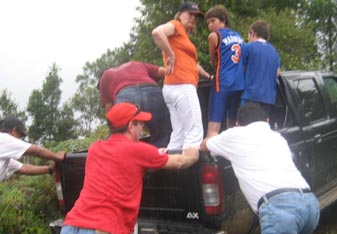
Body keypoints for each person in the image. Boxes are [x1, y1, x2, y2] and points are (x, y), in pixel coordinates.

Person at [55, 102, 199, 234]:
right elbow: (179, 162)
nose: (142, 130)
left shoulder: (95, 149)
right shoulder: (138, 151)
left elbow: (122, 161)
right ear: (131, 126)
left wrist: (155, 154)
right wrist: (193, 154)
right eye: (140, 125)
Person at [200, 102, 320, 234]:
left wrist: (213, 134)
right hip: (309, 205)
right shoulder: (277, 137)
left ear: (237, 123)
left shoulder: (234, 135)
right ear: (267, 121)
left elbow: (205, 145)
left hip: (280, 210)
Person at [151, 1, 210, 150]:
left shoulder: (183, 37)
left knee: (179, 134)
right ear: (180, 14)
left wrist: (208, 76)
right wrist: (170, 54)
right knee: (195, 132)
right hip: (182, 85)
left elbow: (193, 64)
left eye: (195, 16)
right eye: (190, 14)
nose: (193, 18)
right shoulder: (175, 25)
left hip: (173, 87)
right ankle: (191, 172)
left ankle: (172, 170)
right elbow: (157, 32)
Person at [98, 61, 172, 148]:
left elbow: (111, 115)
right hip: (152, 91)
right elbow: (165, 72)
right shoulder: (134, 64)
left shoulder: (105, 76)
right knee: (163, 136)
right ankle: (163, 157)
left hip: (125, 95)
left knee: (121, 139)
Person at [204, 4, 245, 138]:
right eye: (208, 22)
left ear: (223, 19)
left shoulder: (214, 36)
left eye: (212, 21)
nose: (210, 25)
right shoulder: (240, 37)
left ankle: (211, 154)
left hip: (221, 83)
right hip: (238, 84)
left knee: (214, 123)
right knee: (232, 122)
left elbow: (214, 61)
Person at [241, 20, 280, 114]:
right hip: (268, 99)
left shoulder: (248, 47)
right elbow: (277, 73)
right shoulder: (274, 52)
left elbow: (239, 69)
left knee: (246, 126)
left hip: (251, 97)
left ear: (252, 32)